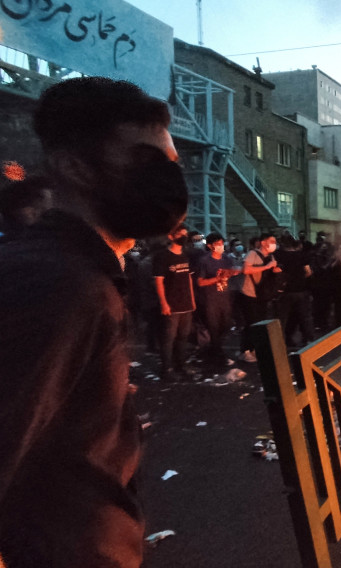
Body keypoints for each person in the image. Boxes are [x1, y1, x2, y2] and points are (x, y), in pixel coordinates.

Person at [0, 77, 187, 567]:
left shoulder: (87, 274)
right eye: (146, 162)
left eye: (172, 165)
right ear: (73, 167)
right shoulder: (59, 284)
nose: (169, 182)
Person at [153, 224, 196, 379]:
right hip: (171, 305)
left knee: (183, 337)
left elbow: (189, 278)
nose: (183, 236)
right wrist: (164, 303)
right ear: (171, 236)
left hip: (186, 304)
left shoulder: (185, 255)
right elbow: (159, 281)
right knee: (168, 339)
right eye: (180, 234)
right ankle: (167, 369)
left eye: (185, 234)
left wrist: (192, 300)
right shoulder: (163, 256)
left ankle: (181, 365)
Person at [196, 233, 239, 369]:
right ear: (210, 246)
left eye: (222, 243)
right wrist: (217, 279)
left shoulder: (226, 259)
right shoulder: (204, 261)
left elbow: (231, 271)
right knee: (213, 327)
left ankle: (213, 351)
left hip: (224, 296)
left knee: (225, 325)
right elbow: (200, 282)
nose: (221, 246)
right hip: (210, 299)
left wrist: (233, 273)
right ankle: (217, 357)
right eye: (217, 244)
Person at [239, 233, 280, 360]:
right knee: (251, 322)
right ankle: (246, 351)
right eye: (271, 241)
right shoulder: (252, 254)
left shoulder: (271, 256)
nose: (274, 244)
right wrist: (267, 267)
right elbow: (245, 270)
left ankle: (256, 349)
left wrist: (275, 270)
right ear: (263, 243)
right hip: (250, 293)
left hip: (263, 295)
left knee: (260, 323)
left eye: (274, 241)